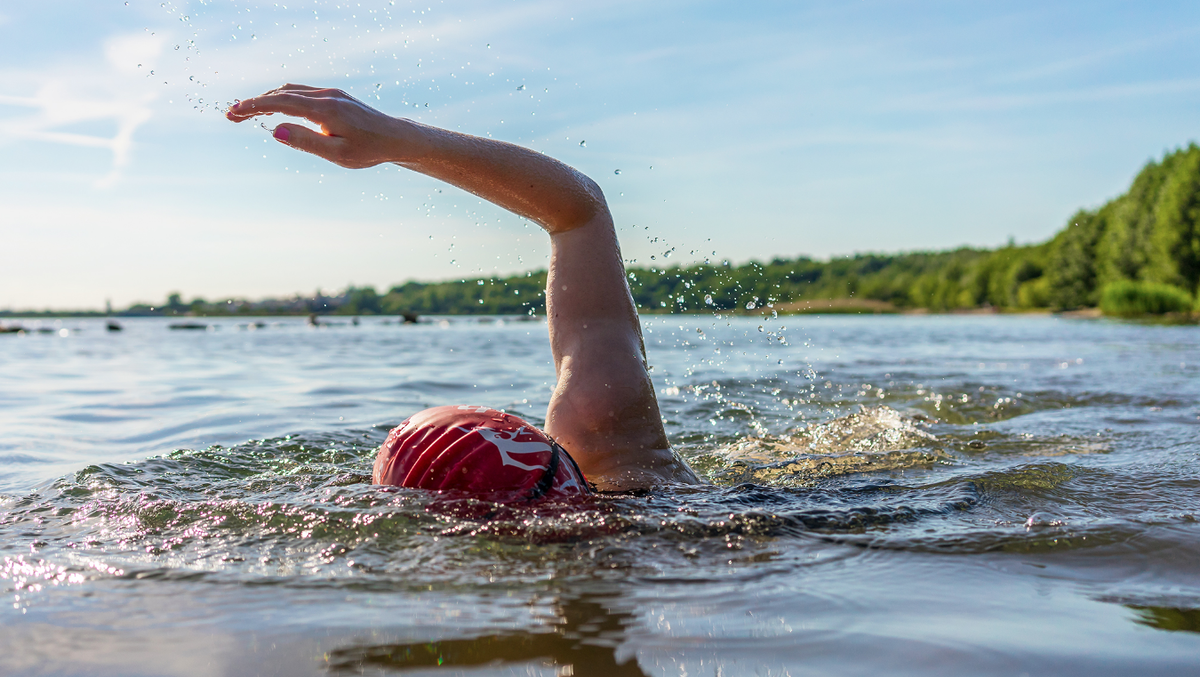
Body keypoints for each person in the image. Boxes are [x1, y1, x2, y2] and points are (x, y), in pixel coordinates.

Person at [227, 84, 699, 497]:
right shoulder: (615, 451)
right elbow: (581, 211)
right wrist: (399, 139)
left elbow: (581, 215)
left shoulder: (615, 456)